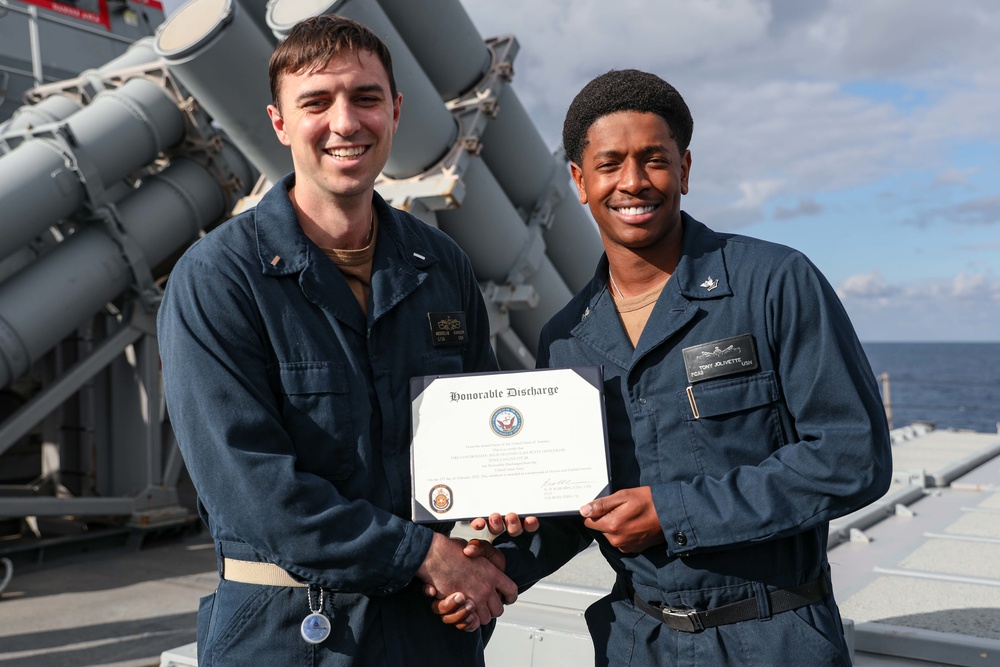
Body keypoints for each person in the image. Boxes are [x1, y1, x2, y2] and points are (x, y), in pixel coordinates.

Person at [436, 69, 893, 665]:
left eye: (654, 160)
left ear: (684, 170)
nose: (633, 182)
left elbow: (852, 456)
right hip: (638, 640)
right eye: (610, 164)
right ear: (579, 180)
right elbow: (580, 508)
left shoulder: (774, 284)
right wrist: (499, 562)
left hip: (774, 632)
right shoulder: (567, 339)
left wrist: (673, 513)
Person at [157, 15, 516, 666]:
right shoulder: (218, 279)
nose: (345, 122)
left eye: (366, 98)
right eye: (316, 102)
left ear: (397, 112)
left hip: (428, 630)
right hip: (288, 632)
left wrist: (501, 525)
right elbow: (255, 491)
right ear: (279, 123)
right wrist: (423, 554)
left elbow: (484, 441)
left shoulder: (442, 267)